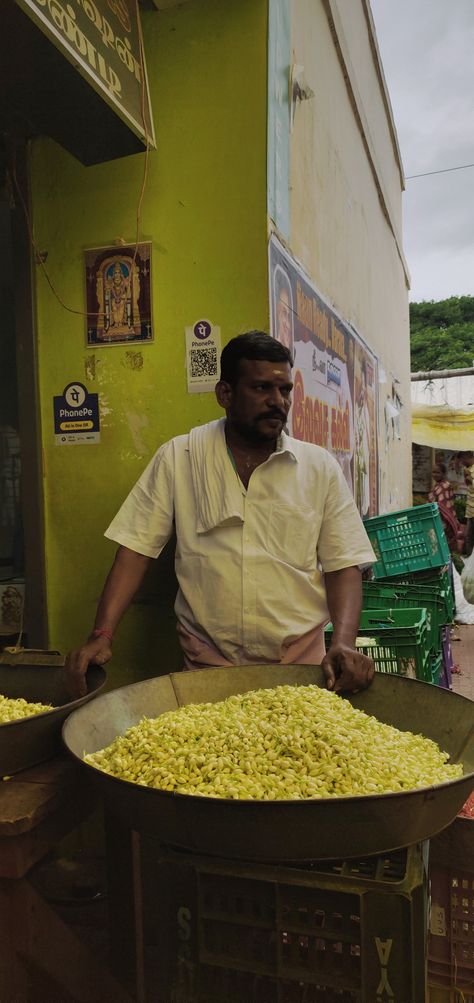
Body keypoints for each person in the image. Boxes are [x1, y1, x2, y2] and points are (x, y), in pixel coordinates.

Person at [66, 332, 375, 697]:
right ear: (225, 394)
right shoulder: (180, 457)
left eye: (285, 390)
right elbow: (135, 551)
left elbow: (344, 565)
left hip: (302, 670)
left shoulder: (318, 467)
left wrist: (343, 642)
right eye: (261, 388)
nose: (277, 402)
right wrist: (102, 635)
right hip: (207, 667)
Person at [428, 462, 463, 554]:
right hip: (440, 519)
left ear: (443, 474)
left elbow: (442, 505)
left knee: (443, 546)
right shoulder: (439, 485)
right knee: (443, 547)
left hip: (443, 520)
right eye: (433, 472)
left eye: (437, 472)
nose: (434, 475)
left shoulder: (444, 485)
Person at [462, 451, 474, 555]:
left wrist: (471, 480)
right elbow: (469, 488)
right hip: (470, 510)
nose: (461, 462)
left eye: (463, 459)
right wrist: (466, 478)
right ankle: (470, 559)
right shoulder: (467, 469)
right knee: (469, 536)